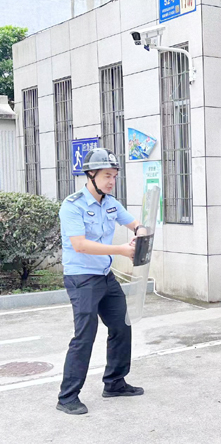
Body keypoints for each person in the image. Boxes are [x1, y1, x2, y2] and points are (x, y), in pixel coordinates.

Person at [56, 148, 146, 415]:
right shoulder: (73, 205)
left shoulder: (111, 203)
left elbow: (135, 224)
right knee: (85, 335)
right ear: (91, 175)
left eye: (115, 176)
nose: (111, 181)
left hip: (105, 276)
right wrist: (122, 250)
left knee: (121, 326)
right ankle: (67, 397)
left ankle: (115, 383)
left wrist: (140, 232)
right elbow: (80, 245)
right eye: (107, 175)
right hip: (82, 278)